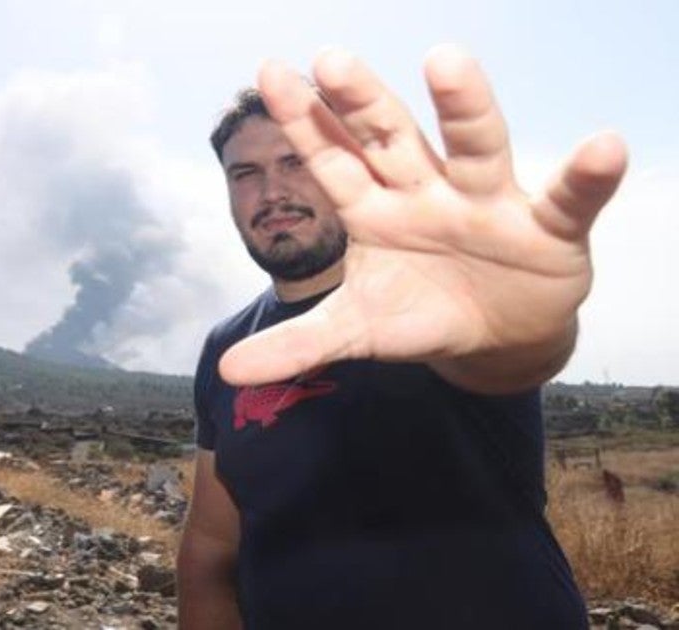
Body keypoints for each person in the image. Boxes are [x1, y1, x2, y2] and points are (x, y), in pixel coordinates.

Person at [177, 45, 627, 629]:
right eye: (246, 173)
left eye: (297, 162)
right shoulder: (228, 347)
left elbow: (509, 355)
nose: (272, 191)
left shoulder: (440, 306)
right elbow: (211, 551)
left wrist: (525, 325)